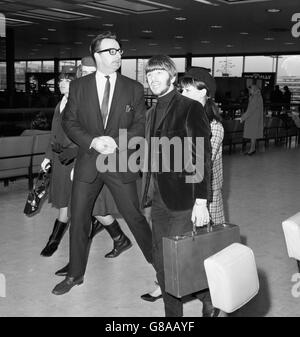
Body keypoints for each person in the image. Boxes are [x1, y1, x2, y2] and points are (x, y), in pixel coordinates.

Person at [52, 31, 152, 295]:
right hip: (88, 162)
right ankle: (75, 275)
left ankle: (162, 265)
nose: (118, 55)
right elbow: (69, 122)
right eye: (111, 51)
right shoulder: (79, 86)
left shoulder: (134, 88)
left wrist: (117, 142)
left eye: (120, 51)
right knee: (79, 218)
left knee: (135, 217)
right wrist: (93, 142)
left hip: (119, 162)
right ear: (97, 55)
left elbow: (141, 125)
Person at [141, 67, 225, 315]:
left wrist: (201, 201)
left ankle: (207, 295)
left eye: (189, 89)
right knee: (168, 257)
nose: (183, 93)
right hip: (170, 194)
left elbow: (199, 160)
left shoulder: (211, 123)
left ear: (205, 93)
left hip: (201, 196)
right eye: (182, 89)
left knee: (187, 257)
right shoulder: (173, 112)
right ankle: (178, 294)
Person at [40, 66, 77, 257]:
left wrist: (77, 162)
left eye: (66, 80)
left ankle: (53, 241)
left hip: (71, 159)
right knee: (65, 199)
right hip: (58, 157)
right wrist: (47, 156)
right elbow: (53, 134)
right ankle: (117, 236)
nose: (61, 83)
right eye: (60, 80)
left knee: (67, 201)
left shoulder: (78, 105)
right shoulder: (60, 103)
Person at [240, 84, 264, 155]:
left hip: (253, 118)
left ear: (254, 90)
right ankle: (252, 149)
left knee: (252, 134)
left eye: (250, 90)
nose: (249, 91)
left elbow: (250, 109)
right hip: (254, 118)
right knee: (253, 134)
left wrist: (243, 117)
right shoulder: (257, 96)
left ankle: (252, 149)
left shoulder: (255, 97)